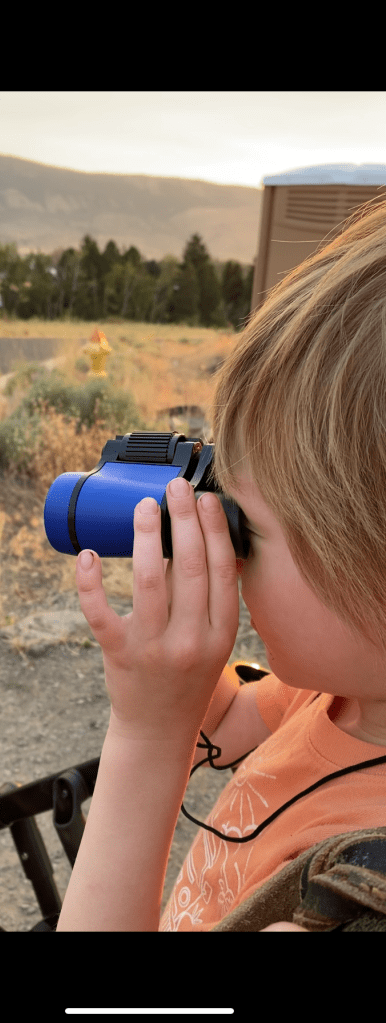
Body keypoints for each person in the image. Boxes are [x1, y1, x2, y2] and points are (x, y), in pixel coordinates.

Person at [56, 196, 386, 932]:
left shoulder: (362, 897)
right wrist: (175, 679)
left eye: (250, 532)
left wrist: (146, 735)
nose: (227, 557)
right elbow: (236, 714)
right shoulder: (339, 694)